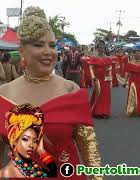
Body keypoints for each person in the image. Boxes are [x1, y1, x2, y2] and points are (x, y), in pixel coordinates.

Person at [0, 7, 102, 180]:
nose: (49, 52)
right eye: (39, 45)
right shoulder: (5, 93)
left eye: (52, 45)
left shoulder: (71, 89)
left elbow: (89, 148)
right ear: (21, 50)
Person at [0, 103, 57, 178]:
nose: (31, 145)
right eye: (25, 139)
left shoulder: (30, 167)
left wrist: (41, 150)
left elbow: (53, 173)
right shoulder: (11, 170)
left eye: (34, 141)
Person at [88, 42, 113, 118]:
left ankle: (104, 112)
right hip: (97, 79)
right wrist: (93, 76)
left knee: (105, 95)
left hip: (105, 79)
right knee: (98, 94)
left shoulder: (108, 58)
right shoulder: (94, 58)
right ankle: (97, 112)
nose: (100, 49)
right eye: (99, 48)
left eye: (102, 48)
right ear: (97, 49)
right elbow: (91, 68)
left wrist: (110, 80)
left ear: (104, 49)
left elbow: (110, 69)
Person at [123, 50, 140, 116]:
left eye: (138, 54)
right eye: (136, 54)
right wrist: (124, 81)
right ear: (133, 55)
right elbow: (127, 73)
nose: (137, 55)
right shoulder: (130, 63)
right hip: (132, 80)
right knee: (133, 95)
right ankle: (133, 109)